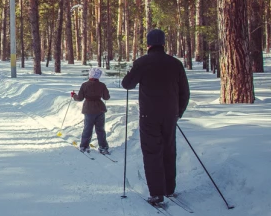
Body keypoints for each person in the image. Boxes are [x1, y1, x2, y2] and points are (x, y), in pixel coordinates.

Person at [121, 29, 190, 205]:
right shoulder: (175, 63)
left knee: (152, 151)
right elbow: (185, 92)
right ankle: (169, 189)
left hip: (149, 115)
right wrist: (178, 111)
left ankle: (157, 193)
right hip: (170, 115)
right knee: (169, 149)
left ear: (148, 44)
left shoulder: (143, 62)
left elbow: (127, 84)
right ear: (163, 43)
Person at [71, 67, 111, 155]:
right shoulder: (102, 85)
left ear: (90, 75)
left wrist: (73, 95)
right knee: (100, 129)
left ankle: (84, 146)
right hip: (100, 109)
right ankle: (103, 147)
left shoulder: (85, 85)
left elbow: (80, 98)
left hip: (88, 109)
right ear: (98, 76)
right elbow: (106, 97)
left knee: (87, 129)